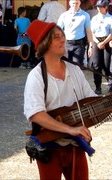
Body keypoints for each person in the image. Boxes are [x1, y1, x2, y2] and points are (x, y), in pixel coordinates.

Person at [24, 20, 96, 179]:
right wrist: (70, 129)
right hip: (48, 148)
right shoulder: (36, 77)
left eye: (62, 35)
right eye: (56, 37)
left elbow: (91, 99)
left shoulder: (74, 70)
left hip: (76, 145)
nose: (63, 39)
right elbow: (36, 114)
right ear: (44, 44)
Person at [57, 0, 94, 66]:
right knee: (66, 66)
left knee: (77, 67)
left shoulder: (85, 15)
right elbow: (58, 30)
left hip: (79, 45)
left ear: (79, 3)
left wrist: (91, 46)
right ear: (70, 3)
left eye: (77, 3)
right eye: (73, 3)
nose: (75, 5)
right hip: (66, 44)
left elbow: (88, 31)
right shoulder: (64, 15)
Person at [90, 0, 112, 95]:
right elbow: (91, 32)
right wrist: (97, 42)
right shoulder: (94, 18)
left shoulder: (111, 18)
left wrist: (104, 42)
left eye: (101, 6)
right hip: (96, 41)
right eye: (98, 7)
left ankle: (110, 84)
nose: (99, 8)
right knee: (96, 65)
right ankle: (98, 87)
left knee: (107, 65)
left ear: (106, 7)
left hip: (107, 41)